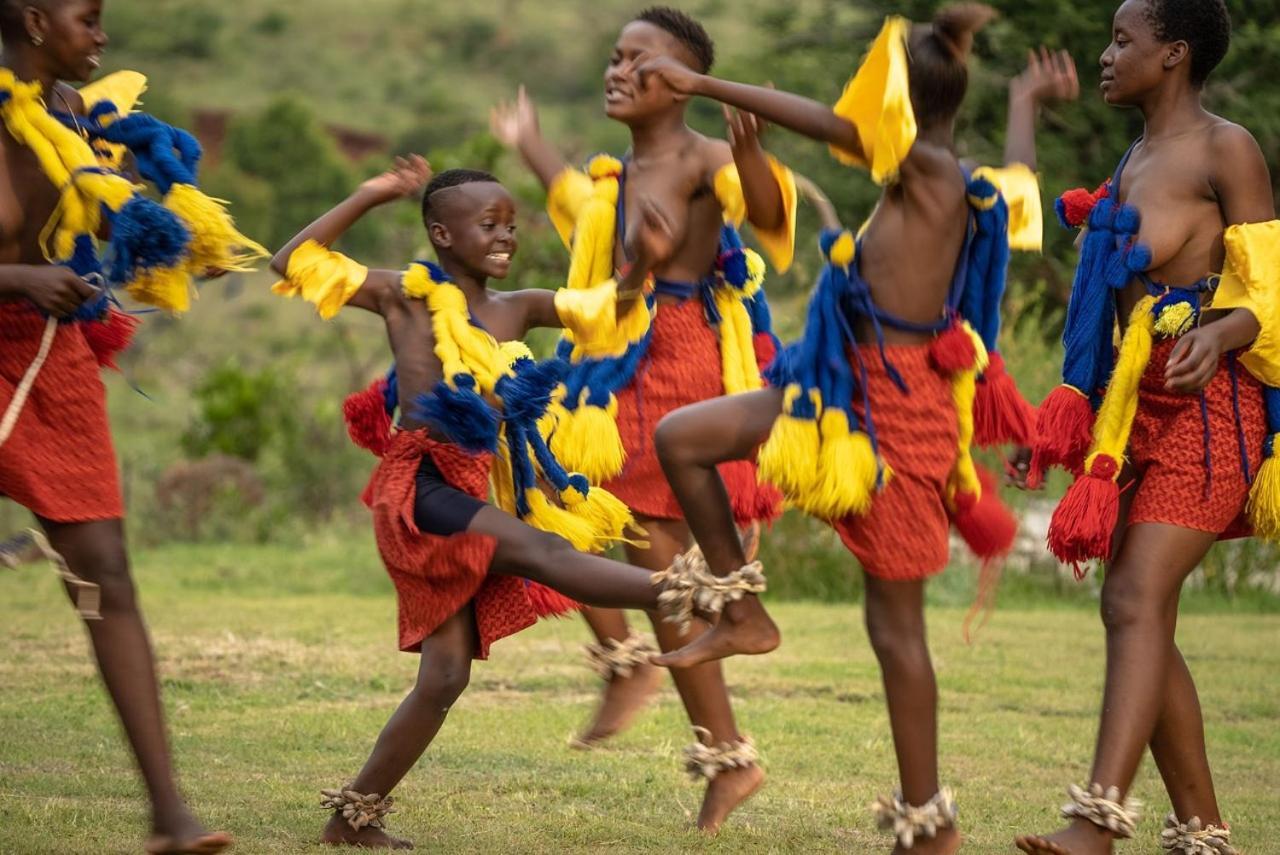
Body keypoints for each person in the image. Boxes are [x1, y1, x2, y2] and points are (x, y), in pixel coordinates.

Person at [634, 7, 1076, 852]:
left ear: (895, 113)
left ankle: (928, 823)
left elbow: (836, 126)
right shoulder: (954, 176)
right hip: (833, 393)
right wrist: (1022, 98)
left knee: (894, 627)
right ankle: (744, 613)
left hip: (901, 417)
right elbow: (1022, 177)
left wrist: (700, 83)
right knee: (683, 437)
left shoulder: (932, 173)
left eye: (869, 103)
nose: (856, 119)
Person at [271, 158, 761, 849]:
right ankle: (704, 596)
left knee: (443, 676)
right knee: (551, 553)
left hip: (483, 485)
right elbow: (294, 262)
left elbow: (604, 317)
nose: (505, 235)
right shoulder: (404, 295)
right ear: (441, 234)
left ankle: (350, 819)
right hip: (423, 486)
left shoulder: (519, 306)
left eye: (510, 223)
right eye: (487, 224)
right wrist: (370, 193)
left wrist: (638, 268)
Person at [490, 5, 797, 833]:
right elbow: (576, 208)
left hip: (682, 363)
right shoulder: (611, 175)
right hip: (607, 367)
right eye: (615, 57)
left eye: (640, 61)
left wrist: (752, 151)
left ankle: (719, 745)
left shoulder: (705, 160)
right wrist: (528, 141)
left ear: (683, 82)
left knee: (657, 557)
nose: (617, 71)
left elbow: (768, 217)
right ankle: (641, 671)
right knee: (558, 512)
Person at [0, 1, 264, 851]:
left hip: (52, 351)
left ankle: (170, 815)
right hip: (22, 316)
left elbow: (109, 219)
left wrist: (182, 239)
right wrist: (16, 278)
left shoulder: (76, 120)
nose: (103, 36)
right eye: (88, 17)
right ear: (36, 20)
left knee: (105, 567)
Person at [1018, 2, 1276, 853]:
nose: (1104, 54)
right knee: (1135, 611)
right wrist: (1076, 417)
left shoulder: (1224, 147)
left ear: (1172, 55)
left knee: (1133, 598)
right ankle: (1203, 831)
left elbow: (1270, 281)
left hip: (1213, 414)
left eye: (1122, 40)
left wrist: (1223, 329)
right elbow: (1108, 310)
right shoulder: (1131, 159)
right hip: (1138, 419)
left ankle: (1097, 821)